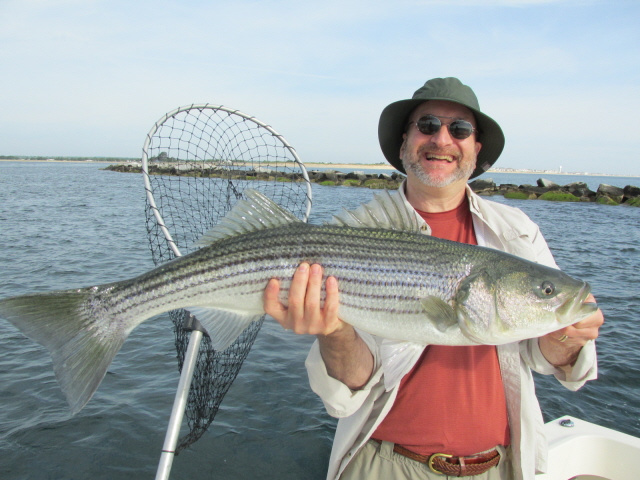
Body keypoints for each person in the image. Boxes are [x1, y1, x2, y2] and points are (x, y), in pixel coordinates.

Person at [263, 77, 604, 480]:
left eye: (460, 129)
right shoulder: (368, 232)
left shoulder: (518, 232)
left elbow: (545, 356)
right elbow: (350, 387)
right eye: (427, 125)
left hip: (500, 466)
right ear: (404, 141)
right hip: (383, 464)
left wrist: (565, 335)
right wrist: (334, 332)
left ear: (476, 148)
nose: (442, 139)